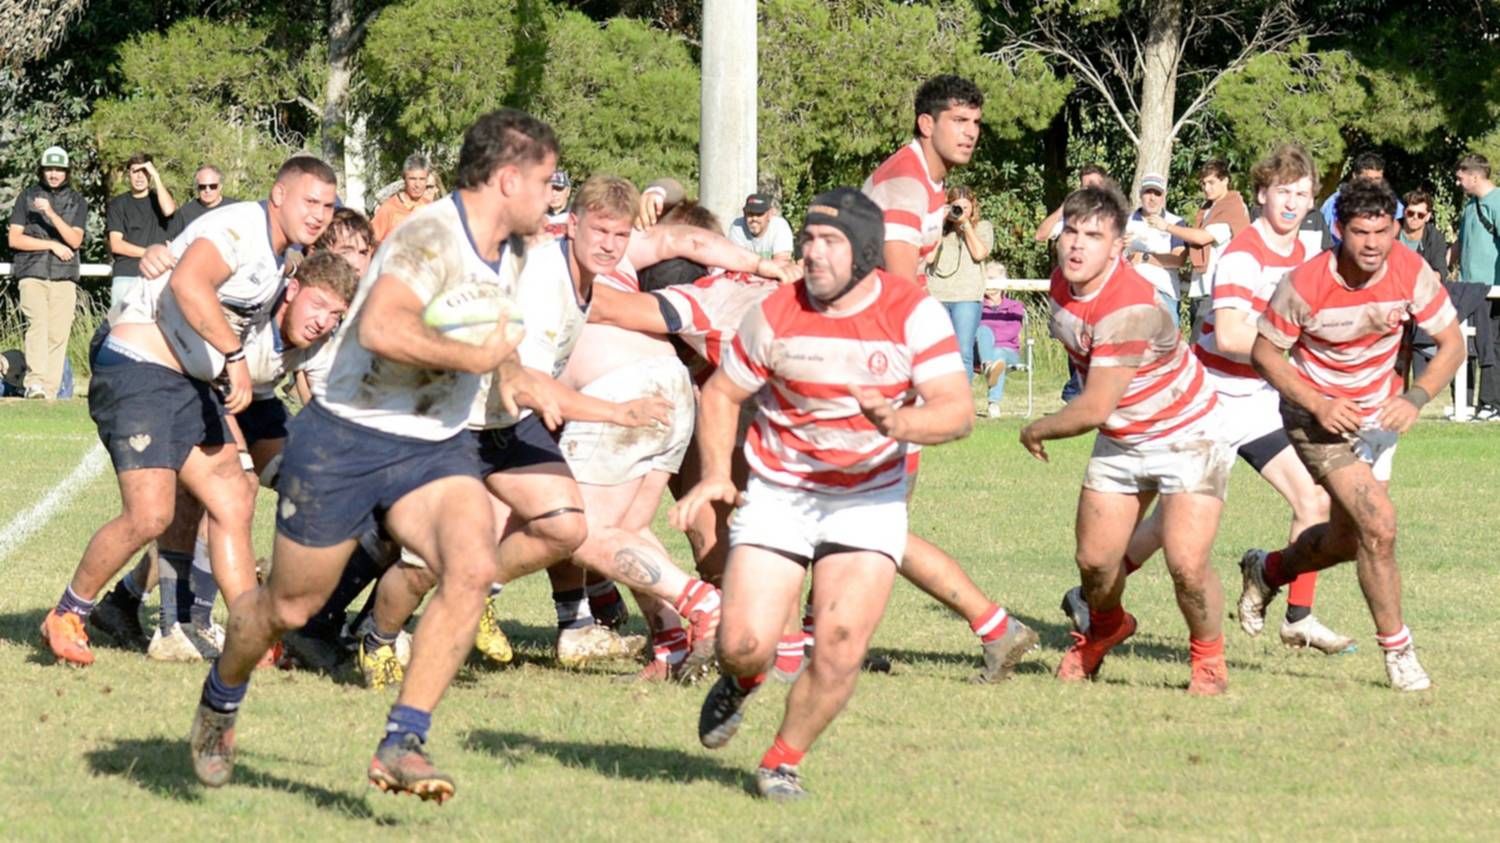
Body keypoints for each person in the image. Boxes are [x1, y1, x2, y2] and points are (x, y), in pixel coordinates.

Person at [186, 110, 554, 803]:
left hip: (434, 445)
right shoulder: (428, 237)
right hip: (346, 438)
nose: (551, 191)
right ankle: (221, 697)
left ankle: (402, 739)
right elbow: (383, 326)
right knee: (287, 607)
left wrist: (513, 373)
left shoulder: (515, 248)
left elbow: (490, 334)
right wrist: (474, 356)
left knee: (470, 567)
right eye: (544, 178)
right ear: (509, 179)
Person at [673, 188, 973, 802]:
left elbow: (957, 412)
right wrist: (713, 475)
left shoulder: (913, 313)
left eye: (829, 241)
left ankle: (781, 761)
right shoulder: (776, 311)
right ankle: (744, 679)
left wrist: (899, 423)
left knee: (837, 649)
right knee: (742, 644)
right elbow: (721, 394)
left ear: (864, 254)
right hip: (781, 492)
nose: (812, 253)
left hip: (868, 499)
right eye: (808, 238)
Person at [40, 155, 338, 670]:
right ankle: (67, 613)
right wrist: (235, 356)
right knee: (151, 513)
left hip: (186, 381)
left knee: (233, 496)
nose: (319, 214)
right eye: (310, 201)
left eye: (328, 206)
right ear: (279, 194)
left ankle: (249, 634)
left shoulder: (281, 253)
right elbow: (188, 284)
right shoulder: (243, 229)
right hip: (138, 367)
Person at [1059, 143, 1356, 655]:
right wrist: (1300, 347)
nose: (1292, 202)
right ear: (1261, 193)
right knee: (1161, 520)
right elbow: (1233, 338)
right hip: (1209, 400)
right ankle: (1087, 594)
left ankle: (1295, 612)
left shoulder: (1310, 253)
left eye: (1303, 193)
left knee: (1314, 499)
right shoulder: (1242, 253)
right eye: (1283, 191)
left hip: (1261, 401)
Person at [1241, 177, 1464, 691]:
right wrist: (1318, 401)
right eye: (1361, 232)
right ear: (1338, 229)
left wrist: (1416, 396)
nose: (1373, 244)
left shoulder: (1410, 269)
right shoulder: (1305, 283)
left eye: (1383, 232)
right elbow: (1263, 353)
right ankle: (1399, 652)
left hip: (1378, 417)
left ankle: (1268, 570)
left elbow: (1451, 344)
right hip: (1314, 419)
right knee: (1379, 527)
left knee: (1348, 541)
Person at [1021, 184, 1233, 696]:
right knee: (1094, 562)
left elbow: (1093, 407)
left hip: (1189, 433)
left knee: (1186, 565)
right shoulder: (1062, 283)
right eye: (1070, 231)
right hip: (1124, 438)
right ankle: (1107, 626)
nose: (1076, 244)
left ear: (1118, 248)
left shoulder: (1129, 305)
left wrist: (1035, 427)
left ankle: (1208, 657)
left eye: (1093, 236)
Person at [862, 73, 1038, 683]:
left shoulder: (923, 183)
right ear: (926, 123)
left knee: (869, 516)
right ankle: (817, 636)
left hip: (882, 369)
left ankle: (993, 625)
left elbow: (900, 284)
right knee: (866, 514)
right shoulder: (907, 183)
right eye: (960, 121)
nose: (972, 133)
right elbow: (898, 284)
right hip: (875, 361)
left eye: (976, 123)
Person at [7, 145, 87, 399]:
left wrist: (50, 213)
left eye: (59, 169)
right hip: (32, 273)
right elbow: (15, 239)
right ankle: (35, 383)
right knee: (38, 325)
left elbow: (74, 241)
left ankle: (49, 391)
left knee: (58, 333)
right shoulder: (26, 197)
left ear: (66, 172)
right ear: (42, 170)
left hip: (64, 277)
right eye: (50, 169)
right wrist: (50, 244)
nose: (54, 174)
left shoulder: (77, 201)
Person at [1152, 160, 1250, 338]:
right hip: (1200, 289)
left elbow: (1203, 237)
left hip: (1216, 292)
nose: (1206, 188)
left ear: (1225, 180)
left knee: (1199, 351)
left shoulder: (1232, 208)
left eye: (1211, 182)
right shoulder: (1208, 209)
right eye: (1203, 183)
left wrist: (1167, 227)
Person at [1038, 166, 1110, 401]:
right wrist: (1063, 208)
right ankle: (1076, 397)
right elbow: (1041, 235)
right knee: (1076, 345)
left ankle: (1086, 396)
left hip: (1103, 292)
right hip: (1075, 293)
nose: (1089, 189)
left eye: (1094, 184)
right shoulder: (1071, 217)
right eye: (1085, 185)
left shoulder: (1115, 214)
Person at [926, 185, 993, 382]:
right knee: (937, 352)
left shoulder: (983, 227)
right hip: (937, 295)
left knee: (963, 351)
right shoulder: (939, 228)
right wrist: (938, 225)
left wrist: (966, 225)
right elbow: (929, 258)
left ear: (973, 207)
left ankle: (962, 404)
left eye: (966, 207)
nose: (961, 211)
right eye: (956, 207)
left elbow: (980, 253)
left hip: (967, 297)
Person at [1455, 154, 1500, 419]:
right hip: (1467, 290)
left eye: (1461, 178)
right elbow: (1460, 244)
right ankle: (1465, 402)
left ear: (1475, 176)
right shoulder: (1470, 206)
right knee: (1464, 347)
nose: (1459, 184)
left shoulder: (1496, 202)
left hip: (1493, 289)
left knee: (1491, 345)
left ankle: (1492, 403)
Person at [106, 152, 177, 308]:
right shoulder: (118, 204)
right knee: (121, 327)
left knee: (156, 329)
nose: (139, 177)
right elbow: (117, 245)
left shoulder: (159, 200)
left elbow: (169, 210)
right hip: (126, 276)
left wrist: (157, 177)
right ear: (128, 175)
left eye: (145, 172)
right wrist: (150, 253)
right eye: (135, 171)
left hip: (156, 276)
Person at [1125, 173, 1186, 308]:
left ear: (1164, 196)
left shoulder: (1175, 222)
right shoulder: (1125, 222)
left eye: (1157, 193)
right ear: (1140, 195)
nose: (1152, 198)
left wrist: (1144, 257)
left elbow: (1178, 260)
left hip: (1164, 293)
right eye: (1148, 192)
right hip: (1130, 293)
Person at [1319, 152, 1404, 243]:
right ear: (1355, 176)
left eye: (1377, 179)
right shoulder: (1333, 203)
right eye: (1368, 179)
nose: (1373, 184)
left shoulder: (1392, 203)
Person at [975, 276, 1024, 419]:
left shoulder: (1014, 306)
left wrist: (989, 342)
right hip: (981, 352)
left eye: (994, 280)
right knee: (983, 330)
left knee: (997, 353)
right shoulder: (976, 306)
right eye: (988, 279)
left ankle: (993, 402)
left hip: (1009, 351)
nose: (991, 284)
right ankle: (990, 367)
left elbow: (1011, 332)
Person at [369, 153, 433, 244]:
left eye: (422, 179)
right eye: (412, 179)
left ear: (427, 180)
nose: (417, 185)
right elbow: (370, 243)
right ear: (404, 178)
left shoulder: (430, 207)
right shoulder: (389, 209)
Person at [167, 164, 237, 238]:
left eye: (212, 186)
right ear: (197, 188)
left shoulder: (235, 208)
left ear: (220, 186)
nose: (207, 190)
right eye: (202, 186)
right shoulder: (185, 213)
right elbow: (169, 238)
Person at [1398, 189, 1448, 281]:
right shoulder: (1389, 232)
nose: (1415, 218)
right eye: (1410, 213)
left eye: (1420, 215)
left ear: (1428, 217)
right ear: (1404, 212)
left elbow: (1440, 272)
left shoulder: (1435, 238)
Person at [727, 193, 794, 261]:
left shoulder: (780, 226)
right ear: (744, 213)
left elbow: (781, 264)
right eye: (750, 214)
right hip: (745, 271)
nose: (754, 218)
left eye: (759, 214)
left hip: (772, 271)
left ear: (770, 214)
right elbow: (736, 260)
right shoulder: (737, 226)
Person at [543, 168, 571, 238]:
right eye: (550, 189)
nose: (554, 194)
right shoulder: (535, 217)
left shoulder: (576, 216)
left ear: (568, 191)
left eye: (558, 189)